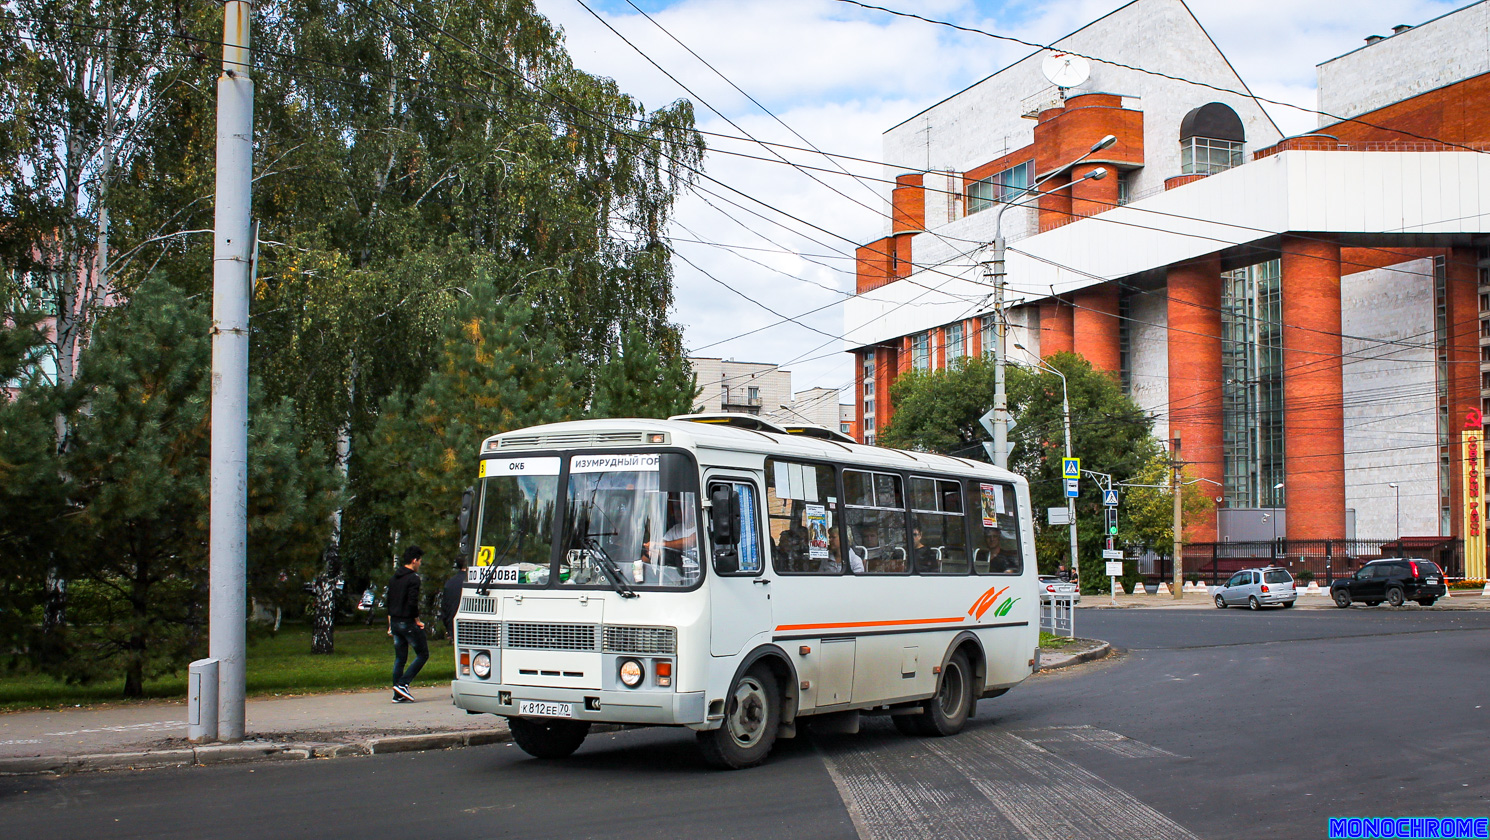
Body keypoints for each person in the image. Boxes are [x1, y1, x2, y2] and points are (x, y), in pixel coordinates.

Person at [387, 546, 428, 703]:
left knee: (400, 658)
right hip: (407, 622)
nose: (419, 564)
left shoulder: (393, 578)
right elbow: (412, 603)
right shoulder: (413, 579)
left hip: (396, 622)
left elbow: (389, 602)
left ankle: (397, 694)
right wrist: (417, 620)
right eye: (419, 561)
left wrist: (390, 624)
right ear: (414, 560)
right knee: (423, 654)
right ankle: (403, 684)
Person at [441, 559, 466, 641]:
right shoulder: (473, 582)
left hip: (452, 625)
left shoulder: (450, 582)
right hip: (468, 628)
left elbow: (445, 606)